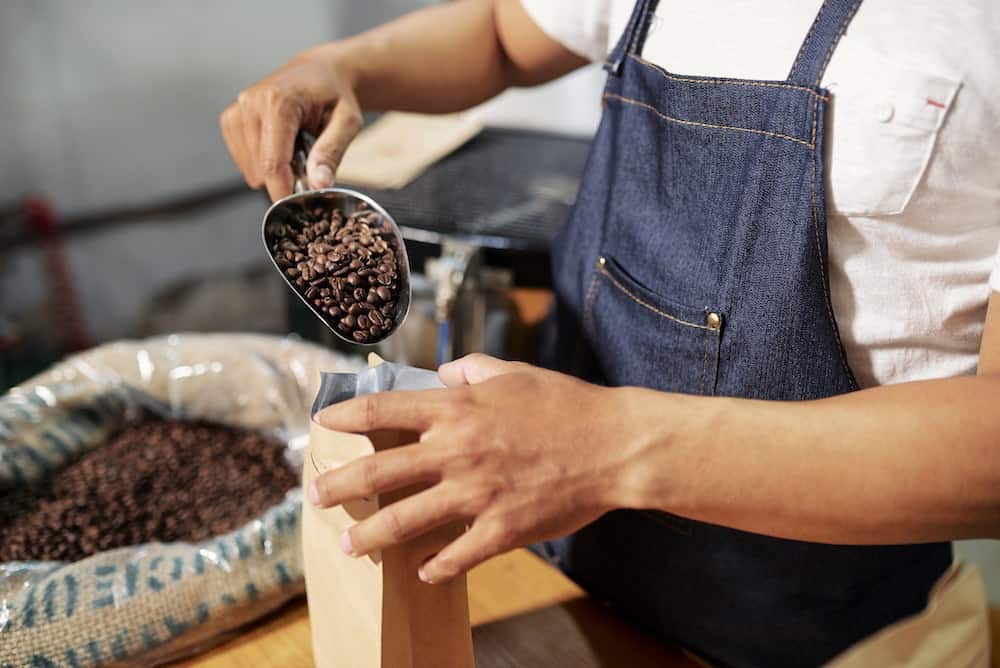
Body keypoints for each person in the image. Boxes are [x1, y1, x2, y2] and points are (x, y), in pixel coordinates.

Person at [221, 1, 999, 665]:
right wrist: (344, 66)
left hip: (847, 641)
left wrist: (608, 447)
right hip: (576, 588)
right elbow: (500, 32)